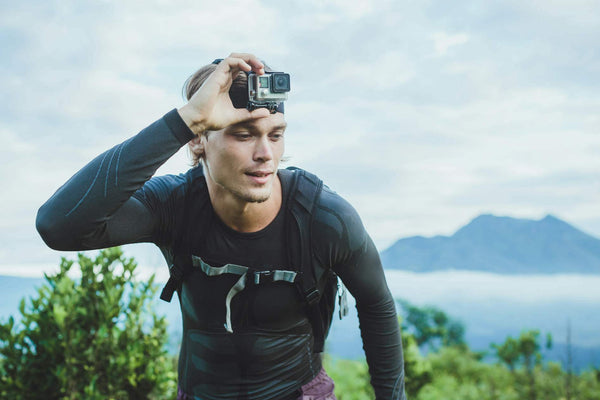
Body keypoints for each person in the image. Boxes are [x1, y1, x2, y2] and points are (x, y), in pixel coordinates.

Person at [36, 53, 406, 400]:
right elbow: (59, 226)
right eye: (243, 134)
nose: (265, 154)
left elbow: (377, 306)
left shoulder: (324, 218)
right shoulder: (174, 205)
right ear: (199, 139)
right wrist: (182, 121)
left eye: (275, 135)